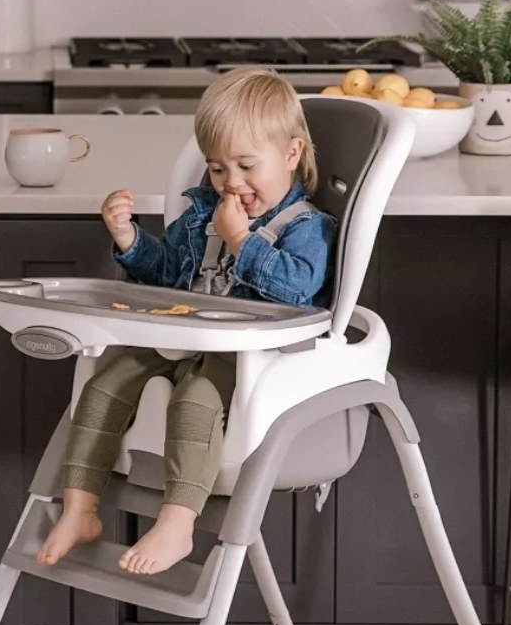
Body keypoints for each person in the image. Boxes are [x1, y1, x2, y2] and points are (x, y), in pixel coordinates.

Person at [36, 66, 336, 576]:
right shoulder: (202, 215)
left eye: (246, 165)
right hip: (180, 334)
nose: (231, 183)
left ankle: (177, 523)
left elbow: (299, 289)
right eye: (218, 169)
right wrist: (130, 240)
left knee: (195, 400)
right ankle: (80, 509)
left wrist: (242, 241)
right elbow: (167, 278)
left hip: (247, 354)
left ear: (291, 153)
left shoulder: (307, 226)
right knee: (106, 382)